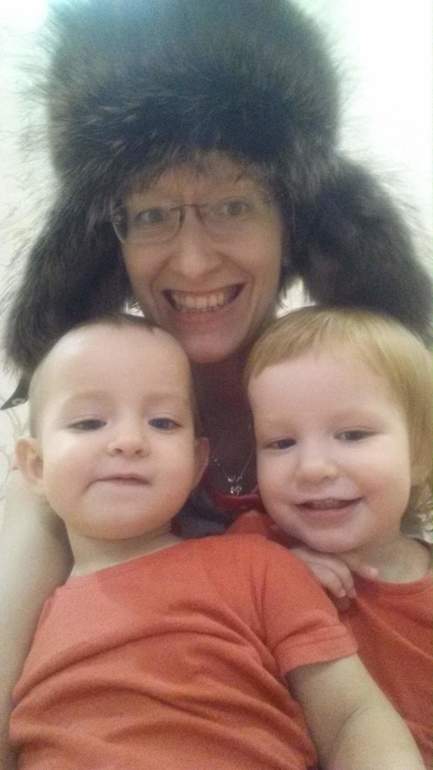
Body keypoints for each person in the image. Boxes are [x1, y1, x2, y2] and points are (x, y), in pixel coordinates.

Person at [0, 0, 432, 764]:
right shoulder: (86, 435)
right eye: (151, 215)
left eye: (233, 205)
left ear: (292, 224)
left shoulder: (360, 390)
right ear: (108, 243)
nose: (193, 260)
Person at [8, 313, 426, 770]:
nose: (128, 441)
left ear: (197, 462)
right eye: (89, 423)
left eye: (163, 422)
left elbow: (352, 719)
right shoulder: (23, 612)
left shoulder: (260, 564)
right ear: (35, 465)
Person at [236, 305, 432, 765]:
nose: (313, 468)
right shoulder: (249, 545)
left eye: (352, 435)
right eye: (281, 443)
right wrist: (271, 574)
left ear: (421, 454)